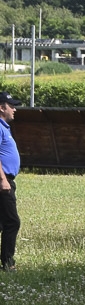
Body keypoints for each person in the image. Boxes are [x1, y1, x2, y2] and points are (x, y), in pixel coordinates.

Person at [0, 92, 19, 271]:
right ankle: (7, 263)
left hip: (7, 180)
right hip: (3, 181)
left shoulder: (5, 127)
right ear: (1, 107)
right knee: (12, 222)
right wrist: (3, 180)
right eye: (11, 106)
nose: (14, 109)